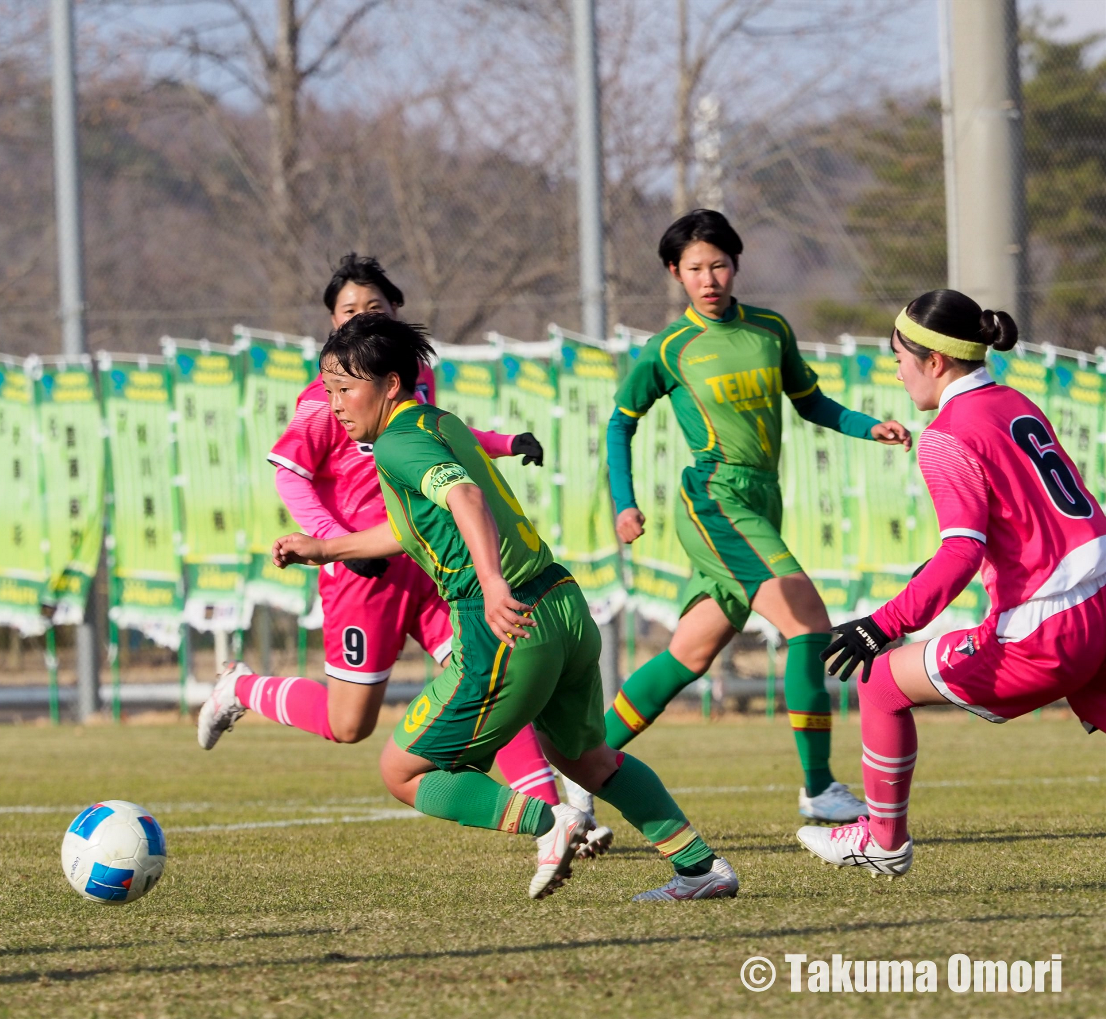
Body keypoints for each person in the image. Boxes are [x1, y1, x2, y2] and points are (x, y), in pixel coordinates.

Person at [271, 313, 739, 900]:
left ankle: (553, 823)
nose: (334, 403)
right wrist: (324, 547)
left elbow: (465, 497)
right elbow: (414, 526)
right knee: (588, 760)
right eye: (328, 388)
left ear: (390, 384)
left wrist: (491, 584)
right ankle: (701, 868)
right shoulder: (439, 423)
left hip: (507, 623)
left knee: (403, 771)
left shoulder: (395, 442)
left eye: (345, 388)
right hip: (563, 606)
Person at [199, 255, 611, 853]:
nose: (364, 317)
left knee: (494, 672)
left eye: (376, 309)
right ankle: (240, 689)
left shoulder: (408, 387)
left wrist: (501, 442)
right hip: (362, 574)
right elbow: (289, 472)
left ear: (394, 319)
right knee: (350, 724)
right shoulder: (325, 400)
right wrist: (329, 542)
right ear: (332, 326)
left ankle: (555, 819)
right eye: (350, 312)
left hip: (430, 565)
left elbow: (449, 445)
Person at [604, 210, 913, 822]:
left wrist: (867, 425)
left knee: (689, 656)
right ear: (675, 274)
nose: (709, 277)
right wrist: (625, 502)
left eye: (718, 264)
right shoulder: (670, 347)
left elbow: (812, 403)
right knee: (808, 624)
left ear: (736, 264)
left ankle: (580, 772)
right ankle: (820, 788)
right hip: (715, 498)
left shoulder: (770, 328)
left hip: (760, 499)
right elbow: (620, 422)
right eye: (694, 268)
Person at [800, 290, 1106, 876]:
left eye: (898, 356)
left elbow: (963, 550)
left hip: (1044, 627)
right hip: (1098, 601)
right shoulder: (1012, 400)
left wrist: (881, 625)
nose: (896, 369)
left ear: (933, 361)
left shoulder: (946, 435)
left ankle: (883, 841)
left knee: (882, 681)